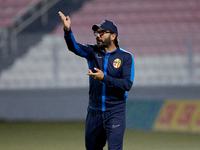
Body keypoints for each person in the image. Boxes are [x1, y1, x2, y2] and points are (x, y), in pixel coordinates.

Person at [58, 11, 134, 150]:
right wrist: (67, 30)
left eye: (102, 32)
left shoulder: (126, 58)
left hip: (115, 112)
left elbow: (127, 84)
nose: (98, 36)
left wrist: (104, 78)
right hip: (94, 112)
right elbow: (73, 47)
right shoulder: (92, 51)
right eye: (96, 33)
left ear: (113, 36)